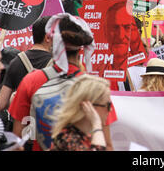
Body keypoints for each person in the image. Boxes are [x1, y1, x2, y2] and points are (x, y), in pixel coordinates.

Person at [9, 14, 117, 151]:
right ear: (80, 47)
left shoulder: (31, 81)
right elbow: (107, 144)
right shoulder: (96, 88)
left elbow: (17, 140)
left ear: (52, 41)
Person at [0, 16, 52, 111]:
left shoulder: (16, 61)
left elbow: (0, 104)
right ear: (48, 37)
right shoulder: (57, 65)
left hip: (20, 122)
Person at [50, 75, 112, 151]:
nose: (110, 109)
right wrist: (97, 126)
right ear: (89, 106)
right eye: (108, 105)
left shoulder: (83, 135)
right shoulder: (68, 138)